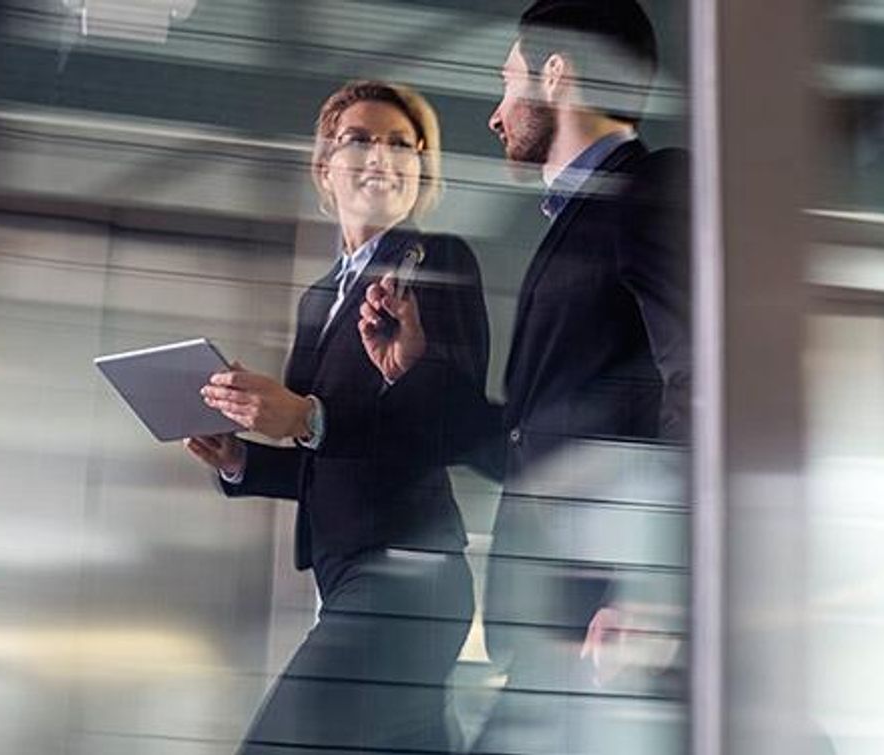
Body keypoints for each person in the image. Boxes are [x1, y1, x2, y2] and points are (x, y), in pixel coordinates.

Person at [358, 1, 690, 751]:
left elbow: (701, 384)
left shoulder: (648, 190)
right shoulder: (581, 218)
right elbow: (528, 445)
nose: (496, 113)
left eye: (508, 82)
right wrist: (418, 370)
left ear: (556, 75)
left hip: (609, 623)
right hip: (560, 622)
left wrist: (651, 587)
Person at [184, 80, 490, 754]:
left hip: (408, 574)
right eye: (359, 140)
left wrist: (306, 416)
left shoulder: (437, 262)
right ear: (324, 167)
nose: (382, 155)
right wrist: (240, 458)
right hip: (345, 573)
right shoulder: (320, 298)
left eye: (401, 145)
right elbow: (325, 458)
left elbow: (448, 424)